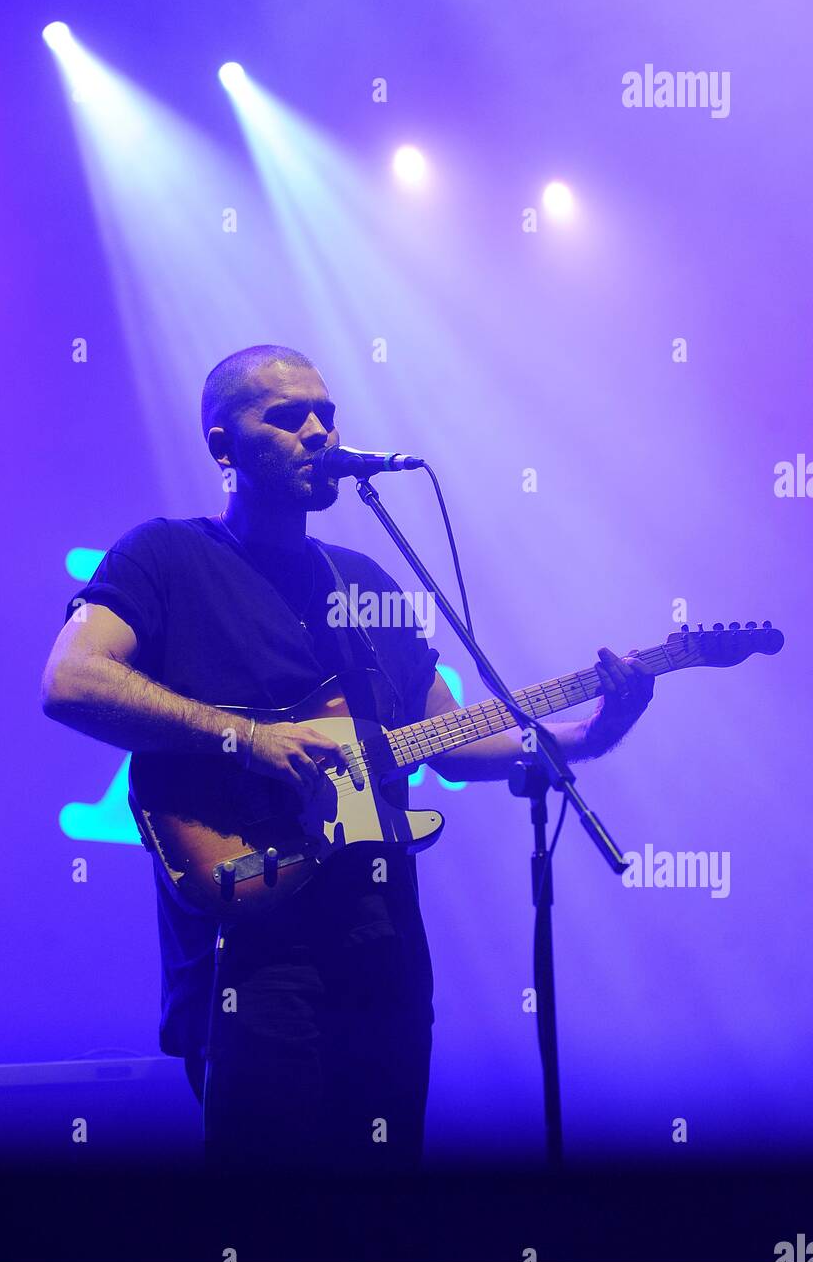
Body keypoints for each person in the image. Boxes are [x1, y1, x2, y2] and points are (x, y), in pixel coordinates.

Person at [41, 345, 654, 1175]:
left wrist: (589, 730)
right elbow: (72, 680)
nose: (318, 430)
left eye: (326, 412)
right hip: (251, 944)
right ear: (224, 447)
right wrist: (246, 737)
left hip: (384, 944)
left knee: (384, 1208)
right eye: (286, 416)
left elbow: (452, 739)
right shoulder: (167, 557)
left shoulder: (363, 580)